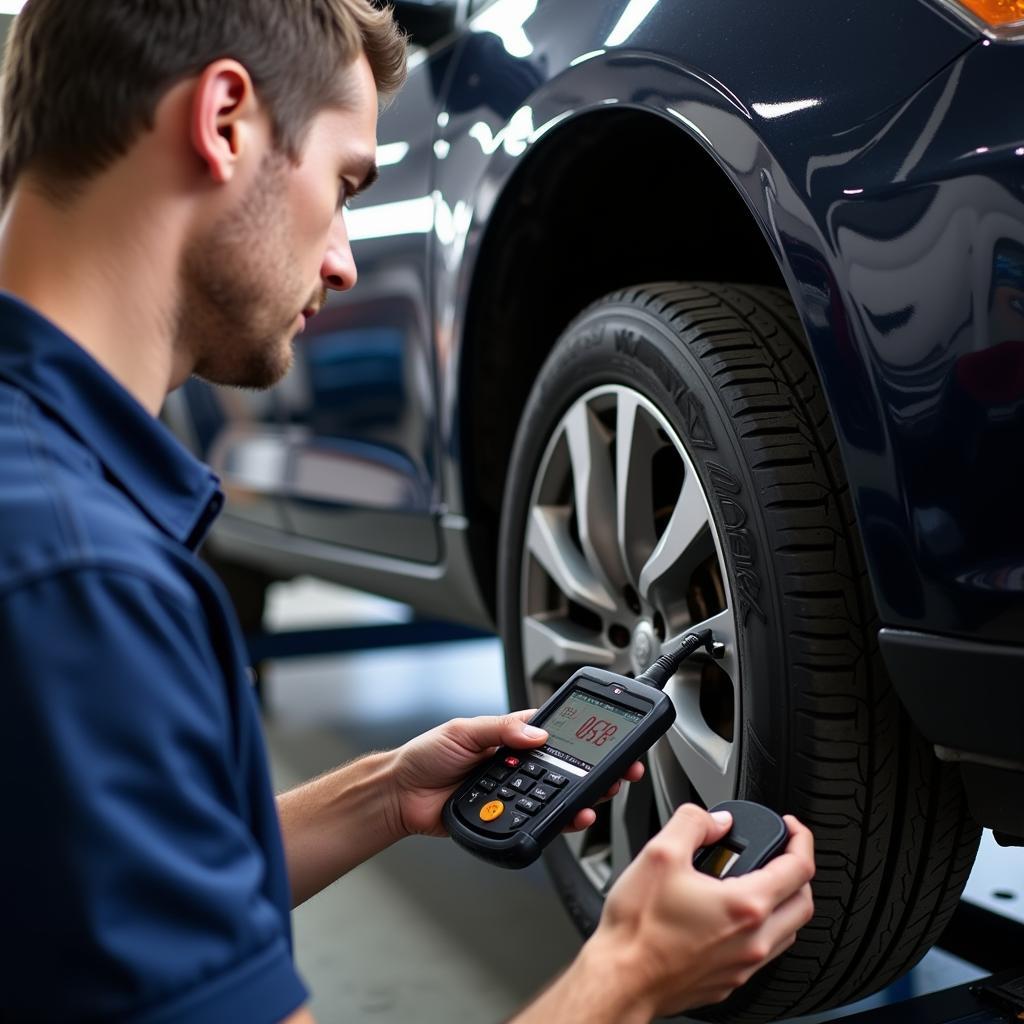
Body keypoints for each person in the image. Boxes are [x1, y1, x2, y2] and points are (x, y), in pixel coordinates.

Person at [0, 1, 815, 1022]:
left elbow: (90, 866)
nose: (342, 259)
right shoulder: (85, 585)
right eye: (343, 185)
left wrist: (387, 792)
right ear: (221, 122)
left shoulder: (45, 510)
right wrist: (633, 976)